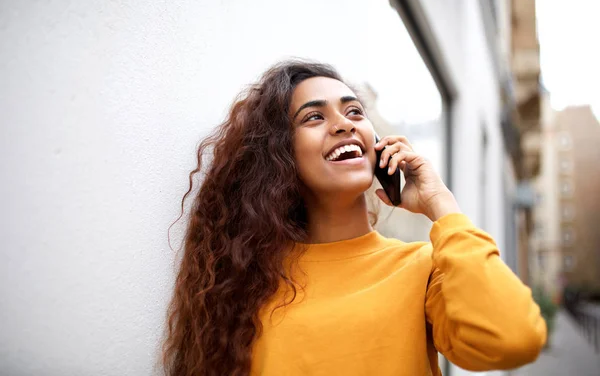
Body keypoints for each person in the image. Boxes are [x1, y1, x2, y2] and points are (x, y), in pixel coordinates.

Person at [162, 60, 547, 376]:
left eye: (354, 112)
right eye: (313, 117)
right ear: (280, 154)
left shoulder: (422, 268)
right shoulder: (247, 282)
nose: (344, 123)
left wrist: (441, 205)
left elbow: (514, 338)